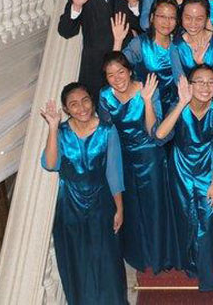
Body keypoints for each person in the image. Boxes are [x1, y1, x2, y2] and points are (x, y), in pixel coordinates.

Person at [40, 83, 127, 305]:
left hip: (101, 202)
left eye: (85, 100)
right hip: (69, 205)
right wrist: (53, 127)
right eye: (74, 104)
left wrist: (119, 208)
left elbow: (114, 173)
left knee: (107, 258)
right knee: (77, 259)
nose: (82, 108)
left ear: (92, 100)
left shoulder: (107, 130)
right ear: (66, 109)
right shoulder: (61, 132)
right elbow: (50, 164)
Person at [98, 54, 174, 274]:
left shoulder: (147, 89)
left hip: (150, 155)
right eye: (110, 75)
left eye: (121, 72)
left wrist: (148, 100)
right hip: (123, 157)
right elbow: (106, 132)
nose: (117, 78)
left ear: (130, 71)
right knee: (132, 207)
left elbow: (154, 132)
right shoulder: (104, 95)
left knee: (154, 204)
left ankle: (160, 255)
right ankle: (140, 254)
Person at [155, 68, 213, 291]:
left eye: (211, 82)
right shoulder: (179, 105)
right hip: (180, 169)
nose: (205, 87)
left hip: (208, 167)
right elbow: (160, 135)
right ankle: (190, 262)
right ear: (190, 85)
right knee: (186, 216)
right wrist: (181, 103)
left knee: (207, 219)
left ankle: (208, 274)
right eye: (200, 81)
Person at [57, 0, 142, 99]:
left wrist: (133, 3)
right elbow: (66, 31)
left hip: (127, 69)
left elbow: (140, 27)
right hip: (95, 70)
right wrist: (77, 6)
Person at [120, 0, 179, 118]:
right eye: (162, 16)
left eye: (172, 18)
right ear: (152, 17)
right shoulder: (140, 43)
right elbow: (118, 67)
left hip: (175, 107)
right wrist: (118, 41)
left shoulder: (179, 44)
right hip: (147, 106)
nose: (167, 22)